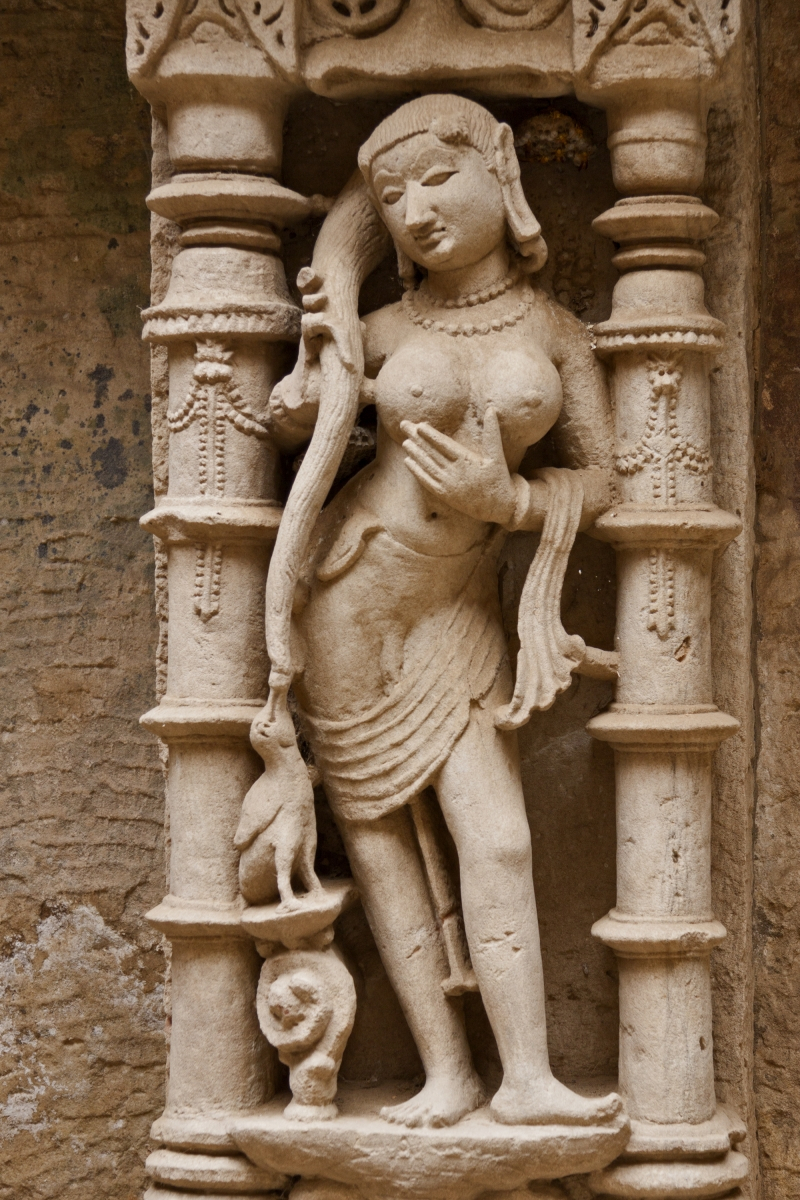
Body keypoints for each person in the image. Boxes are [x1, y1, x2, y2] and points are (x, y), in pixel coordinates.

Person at [260, 94, 620, 1130]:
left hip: (458, 608)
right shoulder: (378, 330)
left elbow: (606, 479)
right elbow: (293, 425)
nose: (415, 211)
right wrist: (311, 373)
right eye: (391, 196)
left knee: (496, 840)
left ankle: (527, 1079)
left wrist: (509, 502)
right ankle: (445, 1075)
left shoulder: (554, 332)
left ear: (500, 167)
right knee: (380, 849)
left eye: (436, 178)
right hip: (350, 602)